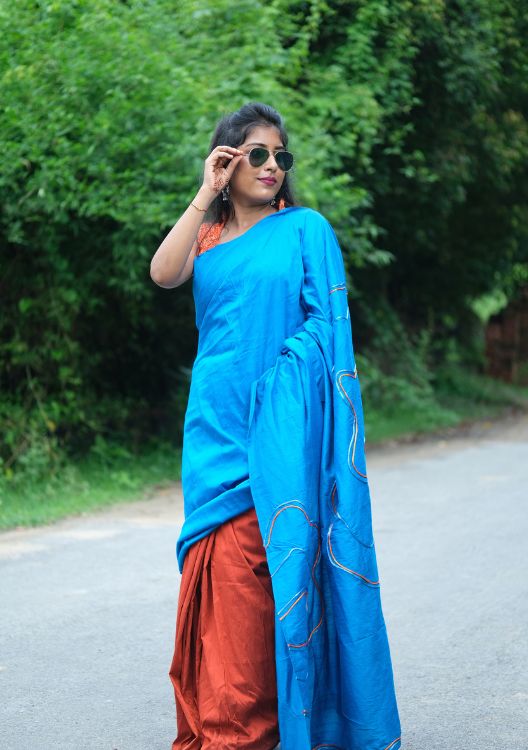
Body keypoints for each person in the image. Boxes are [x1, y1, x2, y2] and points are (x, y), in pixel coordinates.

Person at [150, 102, 402, 750]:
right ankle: (222, 723)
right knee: (216, 578)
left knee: (267, 580)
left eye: (280, 156)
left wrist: (280, 386)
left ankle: (254, 729)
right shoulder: (207, 236)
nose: (271, 166)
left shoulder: (305, 230)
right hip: (212, 427)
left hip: (278, 429)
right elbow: (163, 273)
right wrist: (204, 192)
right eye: (256, 154)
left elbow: (326, 329)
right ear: (227, 160)